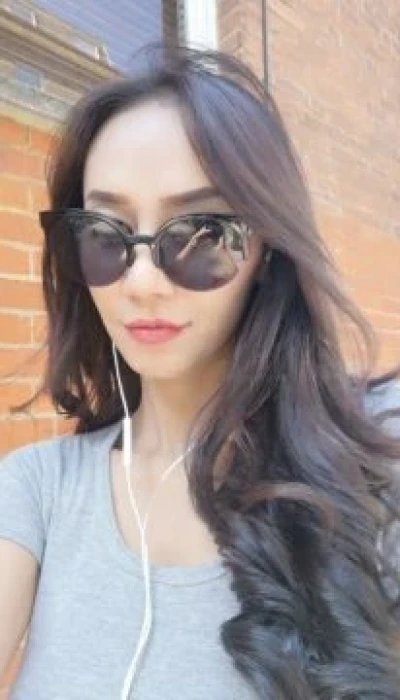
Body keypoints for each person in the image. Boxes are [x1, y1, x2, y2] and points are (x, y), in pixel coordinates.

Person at [0, 42, 400, 700]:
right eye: (106, 232)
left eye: (202, 233)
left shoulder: (372, 464)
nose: (142, 281)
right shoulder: (37, 488)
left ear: (266, 248)